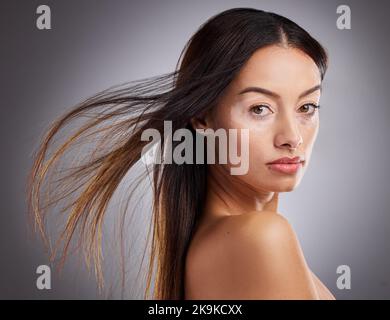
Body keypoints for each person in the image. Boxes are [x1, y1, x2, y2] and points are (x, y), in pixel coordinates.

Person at [27, 7, 334, 299]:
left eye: (307, 107)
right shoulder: (262, 238)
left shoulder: (215, 244)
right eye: (259, 109)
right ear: (203, 118)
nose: (292, 137)